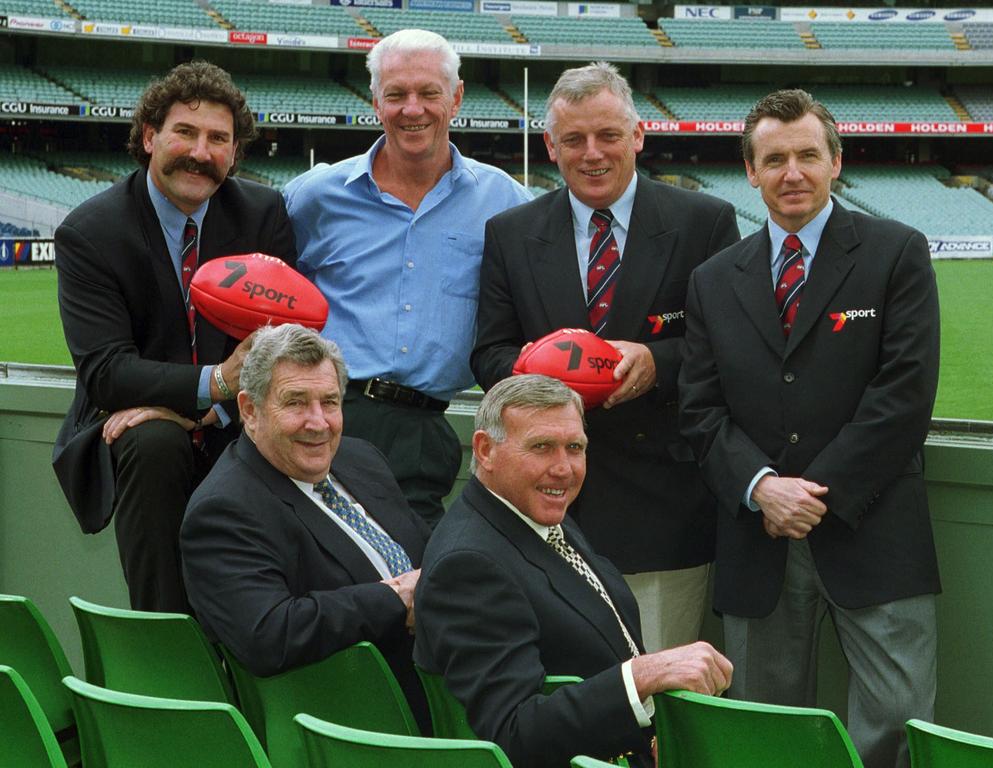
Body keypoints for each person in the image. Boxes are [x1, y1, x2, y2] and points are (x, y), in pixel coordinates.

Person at [679, 89, 940, 768]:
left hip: (875, 530)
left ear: (836, 163)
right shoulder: (712, 280)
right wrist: (763, 489)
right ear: (751, 171)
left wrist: (809, 493)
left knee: (897, 727)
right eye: (774, 159)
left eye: (806, 155)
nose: (791, 172)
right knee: (768, 736)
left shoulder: (895, 253)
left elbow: (905, 397)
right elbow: (700, 411)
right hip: (756, 539)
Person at [471, 62, 739, 651]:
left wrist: (656, 363)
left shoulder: (705, 222)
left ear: (638, 136)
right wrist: (547, 378)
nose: (592, 154)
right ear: (551, 146)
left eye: (608, 136)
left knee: (661, 694)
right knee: (562, 694)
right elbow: (488, 353)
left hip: (663, 511)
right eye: (574, 140)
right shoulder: (510, 233)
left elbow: (732, 348)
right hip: (539, 509)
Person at [52, 61, 296, 613]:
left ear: (235, 153)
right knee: (154, 443)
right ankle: (165, 643)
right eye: (185, 132)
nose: (201, 152)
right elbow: (107, 374)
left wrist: (212, 405)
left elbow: (285, 346)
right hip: (131, 429)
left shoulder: (262, 214)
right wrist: (214, 383)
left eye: (218, 139)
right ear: (149, 137)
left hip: (234, 417)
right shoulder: (91, 231)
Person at [414, 374, 733, 768]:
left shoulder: (536, 512)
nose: (563, 469)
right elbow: (513, 733)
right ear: (484, 450)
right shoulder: (469, 566)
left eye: (575, 448)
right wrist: (642, 677)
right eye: (542, 447)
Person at [284, 29, 532, 528]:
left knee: (416, 583)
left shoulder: (504, 202)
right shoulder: (315, 195)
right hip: (328, 414)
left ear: (456, 98)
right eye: (395, 94)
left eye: (428, 93)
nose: (411, 109)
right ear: (375, 101)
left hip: (425, 427)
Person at [180, 323, 431, 729]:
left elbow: (426, 548)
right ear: (249, 410)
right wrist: (397, 599)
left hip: (446, 674)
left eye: (329, 402)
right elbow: (269, 634)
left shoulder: (359, 458)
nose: (319, 423)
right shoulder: (224, 511)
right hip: (359, 722)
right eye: (296, 402)